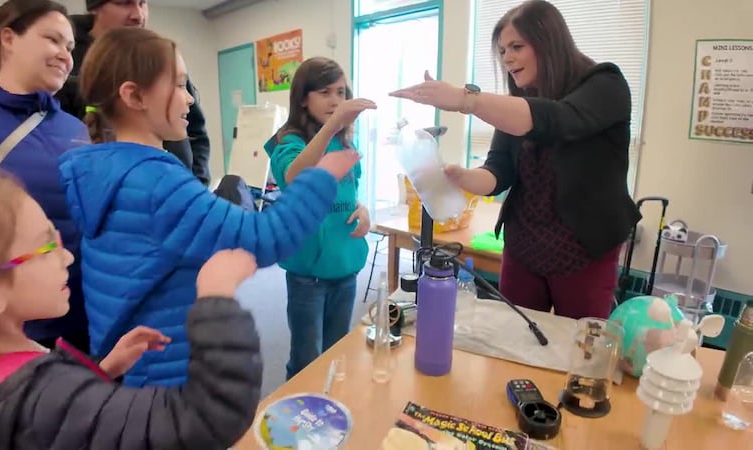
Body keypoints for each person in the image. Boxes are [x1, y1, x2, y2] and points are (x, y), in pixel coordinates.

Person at [60, 27, 361, 387]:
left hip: (131, 368)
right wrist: (322, 177)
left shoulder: (98, 169)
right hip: (165, 375)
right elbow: (264, 237)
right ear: (134, 96)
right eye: (179, 85)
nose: (189, 98)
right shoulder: (157, 182)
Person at [0, 168, 263, 449]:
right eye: (46, 247)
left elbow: (53, 425)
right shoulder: (43, 396)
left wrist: (102, 371)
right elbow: (207, 417)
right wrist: (217, 297)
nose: (66, 257)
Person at [389, 0, 641, 320]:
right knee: (513, 332)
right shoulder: (517, 104)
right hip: (524, 247)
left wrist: (465, 100)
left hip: (583, 249)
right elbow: (498, 171)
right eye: (502, 51)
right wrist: (461, 177)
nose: (507, 58)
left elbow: (556, 119)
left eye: (516, 47)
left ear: (549, 42)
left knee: (578, 340)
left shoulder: (605, 85)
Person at [0, 0, 92, 353]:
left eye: (70, 47)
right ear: (9, 39)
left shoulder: (75, 129)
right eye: (53, 40)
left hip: (82, 319)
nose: (65, 55)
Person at [264, 56, 376, 379]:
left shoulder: (345, 142)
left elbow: (350, 192)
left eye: (340, 92)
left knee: (336, 354)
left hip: (345, 267)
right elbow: (294, 176)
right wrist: (332, 125)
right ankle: (300, 404)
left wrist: (363, 211)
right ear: (303, 98)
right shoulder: (289, 141)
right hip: (308, 274)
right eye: (325, 92)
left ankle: (330, 404)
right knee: (306, 359)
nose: (335, 101)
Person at [55, 0, 212, 186]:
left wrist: (198, 182)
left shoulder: (158, 56)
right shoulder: (65, 63)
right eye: (124, 3)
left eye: (142, 3)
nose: (138, 15)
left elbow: (196, 131)